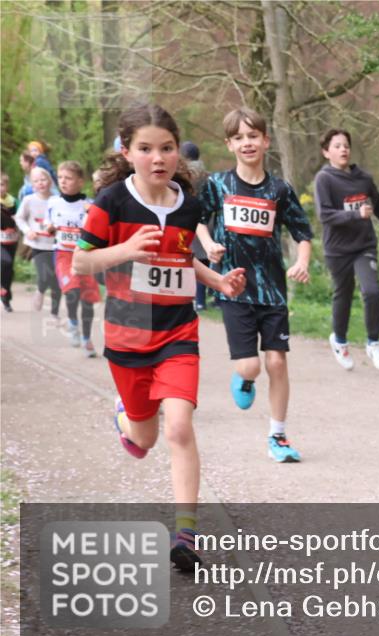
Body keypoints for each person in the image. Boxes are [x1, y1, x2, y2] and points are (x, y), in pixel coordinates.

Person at [73, 103, 246, 571]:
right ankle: (126, 419)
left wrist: (217, 281)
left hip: (177, 332)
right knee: (144, 438)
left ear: (177, 152)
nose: (158, 158)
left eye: (166, 148)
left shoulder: (188, 205)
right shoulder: (111, 202)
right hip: (128, 337)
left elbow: (181, 258)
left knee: (179, 427)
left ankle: (186, 535)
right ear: (127, 153)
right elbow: (80, 262)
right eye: (146, 149)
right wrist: (125, 249)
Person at [197, 107, 313, 463]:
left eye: (253, 136)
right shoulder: (218, 184)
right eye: (239, 138)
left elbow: (302, 232)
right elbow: (197, 221)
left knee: (277, 362)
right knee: (251, 367)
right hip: (234, 288)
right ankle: (244, 378)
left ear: (265, 141)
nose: (247, 143)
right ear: (230, 145)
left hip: (273, 290)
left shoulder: (279, 189)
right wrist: (207, 244)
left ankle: (278, 436)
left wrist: (302, 262)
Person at [314, 128, 379, 371]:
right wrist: (354, 214)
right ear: (326, 152)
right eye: (337, 146)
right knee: (343, 294)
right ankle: (339, 340)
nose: (343, 149)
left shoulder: (363, 179)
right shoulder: (324, 179)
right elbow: (325, 215)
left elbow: (378, 201)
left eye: (346, 145)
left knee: (372, 291)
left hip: (364, 245)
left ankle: (374, 343)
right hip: (337, 249)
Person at [49, 161, 101, 356]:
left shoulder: (89, 206)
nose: (63, 181)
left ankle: (87, 339)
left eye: (68, 178)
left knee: (87, 300)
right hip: (63, 254)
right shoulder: (53, 202)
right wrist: (49, 228)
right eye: (60, 177)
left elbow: (97, 230)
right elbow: (50, 222)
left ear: (80, 182)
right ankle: (72, 322)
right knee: (72, 291)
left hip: (85, 256)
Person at [15, 167, 61, 320]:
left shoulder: (57, 199)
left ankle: (54, 314)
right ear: (32, 185)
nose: (40, 183)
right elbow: (19, 218)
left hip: (55, 245)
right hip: (37, 244)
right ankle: (40, 291)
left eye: (43, 179)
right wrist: (28, 230)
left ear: (50, 181)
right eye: (36, 181)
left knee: (56, 280)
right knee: (44, 276)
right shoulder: (29, 200)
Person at [181, 141, 210, 310]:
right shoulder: (207, 175)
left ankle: (194, 299)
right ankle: (203, 300)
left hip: (189, 221)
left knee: (191, 260)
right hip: (207, 222)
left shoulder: (183, 176)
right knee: (205, 260)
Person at [1, 172, 18, 311]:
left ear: (7, 186)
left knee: (9, 269)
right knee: (4, 262)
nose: (0, 188)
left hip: (11, 240)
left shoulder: (13, 201)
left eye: (2, 184)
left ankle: (6, 298)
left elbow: (21, 217)